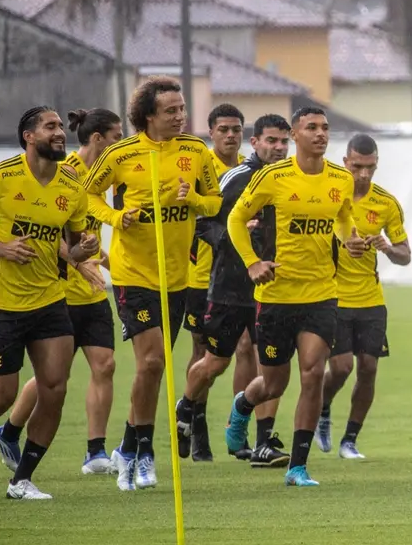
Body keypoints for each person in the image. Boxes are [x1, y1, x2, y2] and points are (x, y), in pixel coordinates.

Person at [0, 106, 100, 500]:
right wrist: (0, 247)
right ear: (28, 136)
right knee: (1, 398)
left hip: (50, 302)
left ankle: (22, 480)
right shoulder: (0, 177)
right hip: (3, 304)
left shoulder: (71, 187)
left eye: (61, 128)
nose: (60, 133)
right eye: (50, 127)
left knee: (55, 388)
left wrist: (86, 250)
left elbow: (73, 251)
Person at [84, 76, 223, 491]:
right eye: (172, 110)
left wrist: (193, 200)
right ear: (147, 115)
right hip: (134, 274)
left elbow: (214, 202)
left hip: (177, 276)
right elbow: (87, 196)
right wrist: (115, 217)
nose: (181, 116)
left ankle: (128, 447)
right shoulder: (122, 154)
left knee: (155, 366)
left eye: (182, 109)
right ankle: (145, 453)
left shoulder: (196, 152)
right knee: (152, 362)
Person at [223, 107, 367, 487]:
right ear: (296, 135)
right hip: (276, 295)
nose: (321, 134)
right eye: (312, 128)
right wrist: (253, 262)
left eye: (325, 128)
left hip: (321, 293)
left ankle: (298, 467)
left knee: (314, 374)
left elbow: (342, 217)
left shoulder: (340, 178)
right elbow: (235, 219)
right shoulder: (273, 177)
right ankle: (241, 407)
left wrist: (348, 238)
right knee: (273, 384)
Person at [0, 108, 123, 477]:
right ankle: (8, 430)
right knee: (52, 378)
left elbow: (82, 235)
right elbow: (49, 238)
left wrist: (101, 258)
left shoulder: (107, 175)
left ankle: (95, 451)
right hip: (60, 290)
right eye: (116, 137)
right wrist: (79, 262)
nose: (121, 144)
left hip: (91, 290)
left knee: (105, 365)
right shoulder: (63, 170)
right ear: (98, 139)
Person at [179, 112, 291, 468]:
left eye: (283, 141)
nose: (278, 147)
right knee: (215, 362)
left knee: (271, 363)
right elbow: (204, 224)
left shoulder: (291, 180)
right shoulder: (236, 179)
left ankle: (263, 442)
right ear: (255, 142)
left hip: (273, 289)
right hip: (229, 288)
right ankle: (186, 407)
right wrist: (237, 240)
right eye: (270, 140)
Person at [316, 135, 411, 459]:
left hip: (371, 299)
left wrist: (388, 247)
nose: (364, 174)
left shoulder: (386, 203)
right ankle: (323, 407)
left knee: (368, 368)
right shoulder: (329, 195)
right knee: (341, 368)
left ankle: (350, 440)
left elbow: (405, 254)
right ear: (345, 162)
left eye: (371, 167)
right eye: (358, 166)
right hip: (333, 297)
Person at [175, 104, 248, 462]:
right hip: (202, 276)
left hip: (242, 280)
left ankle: (240, 428)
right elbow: (196, 219)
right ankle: (194, 422)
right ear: (210, 132)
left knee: (245, 349)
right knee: (203, 353)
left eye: (236, 129)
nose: (231, 136)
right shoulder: (200, 167)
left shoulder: (250, 168)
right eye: (223, 129)